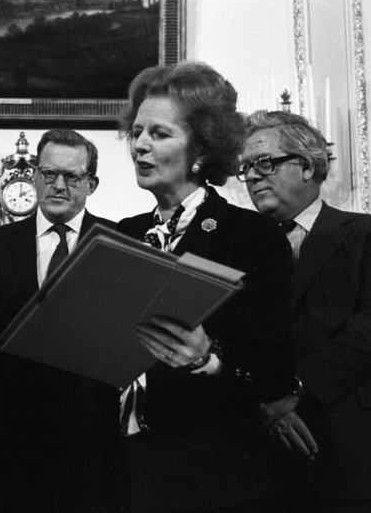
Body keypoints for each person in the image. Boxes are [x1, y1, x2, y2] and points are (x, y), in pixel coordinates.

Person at [115, 61, 297, 512]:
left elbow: (273, 366)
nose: (139, 145)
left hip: (211, 470)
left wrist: (207, 356)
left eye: (159, 134)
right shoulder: (122, 233)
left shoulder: (251, 236)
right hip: (121, 465)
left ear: (200, 150)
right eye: (136, 132)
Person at [0, 129, 120, 512]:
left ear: (92, 184)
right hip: (8, 437)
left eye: (72, 177)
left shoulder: (117, 242)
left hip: (92, 442)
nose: (58, 185)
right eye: (48, 173)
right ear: (34, 175)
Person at [241, 110, 371, 513]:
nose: (251, 176)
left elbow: (366, 329)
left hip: (344, 445)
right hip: (256, 460)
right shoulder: (239, 246)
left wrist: (293, 393)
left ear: (308, 166)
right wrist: (268, 402)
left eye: (265, 162)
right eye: (245, 167)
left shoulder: (363, 233)